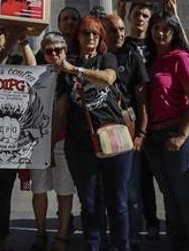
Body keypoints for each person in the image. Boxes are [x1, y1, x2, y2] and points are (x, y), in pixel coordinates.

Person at [51, 15, 131, 251]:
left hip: (112, 138)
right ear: (77, 36)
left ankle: (120, 247)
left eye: (96, 33)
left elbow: (107, 79)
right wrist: (50, 144)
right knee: (90, 203)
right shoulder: (67, 66)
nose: (91, 37)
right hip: (80, 144)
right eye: (86, 33)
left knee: (118, 203)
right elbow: (62, 109)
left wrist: (75, 69)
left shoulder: (107, 58)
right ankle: (93, 246)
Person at [143, 11, 189, 249]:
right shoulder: (151, 61)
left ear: (174, 32)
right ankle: (177, 241)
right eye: (156, 28)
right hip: (154, 136)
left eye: (165, 28)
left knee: (184, 191)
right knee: (168, 192)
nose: (160, 33)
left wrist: (182, 134)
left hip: (179, 132)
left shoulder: (182, 58)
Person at [0, 25, 36, 250]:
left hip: (7, 139)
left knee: (3, 191)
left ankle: (1, 235)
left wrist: (22, 40)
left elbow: (32, 67)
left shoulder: (14, 60)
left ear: (6, 38)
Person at [24, 32, 75, 251]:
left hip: (62, 141)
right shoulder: (37, 74)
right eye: (49, 51)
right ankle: (41, 232)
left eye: (58, 50)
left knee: (65, 191)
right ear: (43, 53)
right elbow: (29, 65)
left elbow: (62, 112)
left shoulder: (71, 74)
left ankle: (61, 236)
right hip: (38, 140)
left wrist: (52, 147)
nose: (54, 54)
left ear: (65, 52)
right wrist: (23, 40)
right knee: (39, 189)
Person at [101, 13, 149, 246]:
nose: (119, 34)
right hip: (100, 128)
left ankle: (131, 236)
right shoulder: (96, 56)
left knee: (130, 189)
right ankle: (111, 235)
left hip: (126, 124)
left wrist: (141, 133)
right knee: (104, 188)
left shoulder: (132, 56)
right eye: (113, 30)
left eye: (121, 29)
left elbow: (142, 100)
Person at [117, 0, 160, 237]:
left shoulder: (156, 42)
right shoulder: (125, 46)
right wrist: (118, 11)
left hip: (160, 116)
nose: (141, 18)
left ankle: (152, 220)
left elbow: (183, 46)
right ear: (130, 17)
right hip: (135, 117)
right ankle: (143, 223)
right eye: (137, 14)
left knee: (155, 174)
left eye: (145, 15)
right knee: (138, 176)